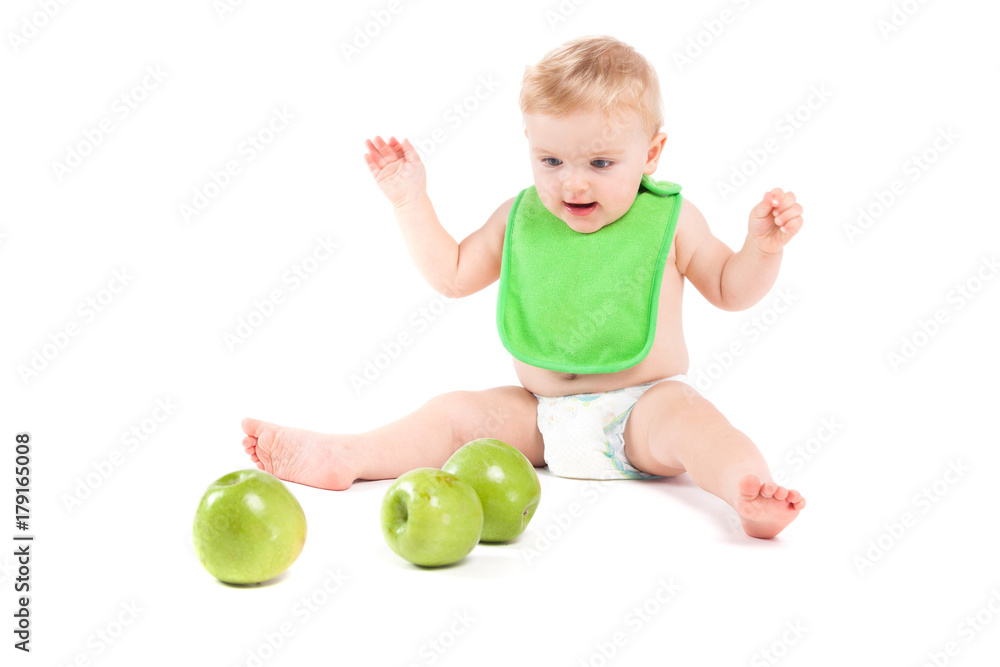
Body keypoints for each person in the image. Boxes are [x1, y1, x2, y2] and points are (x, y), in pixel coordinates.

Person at [241, 35, 806, 539]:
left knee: (696, 424)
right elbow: (452, 274)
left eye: (601, 162)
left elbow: (731, 289)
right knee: (454, 415)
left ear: (651, 153)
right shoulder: (519, 218)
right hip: (539, 418)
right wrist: (410, 201)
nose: (572, 182)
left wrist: (763, 249)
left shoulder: (673, 221)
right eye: (551, 160)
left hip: (642, 413)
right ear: (529, 143)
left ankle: (747, 490)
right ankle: (349, 455)